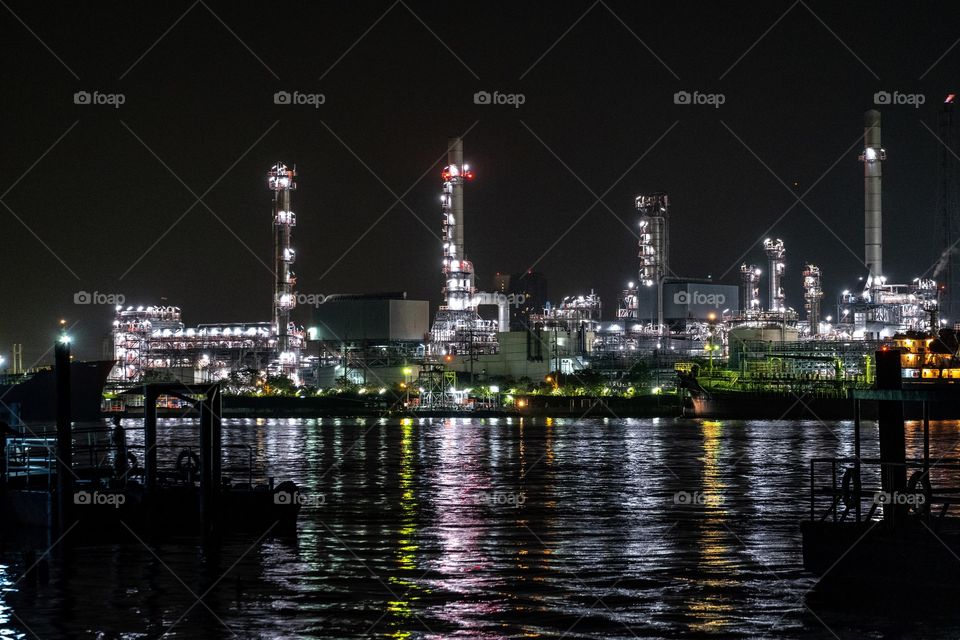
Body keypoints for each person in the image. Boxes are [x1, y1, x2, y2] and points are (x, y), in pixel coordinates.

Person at [111, 415, 129, 484]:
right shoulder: (120, 428)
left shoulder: (117, 428)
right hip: (121, 448)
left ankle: (119, 480)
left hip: (119, 449)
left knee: (117, 464)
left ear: (116, 420)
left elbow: (114, 438)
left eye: (113, 419)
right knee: (120, 464)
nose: (112, 420)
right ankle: (122, 480)